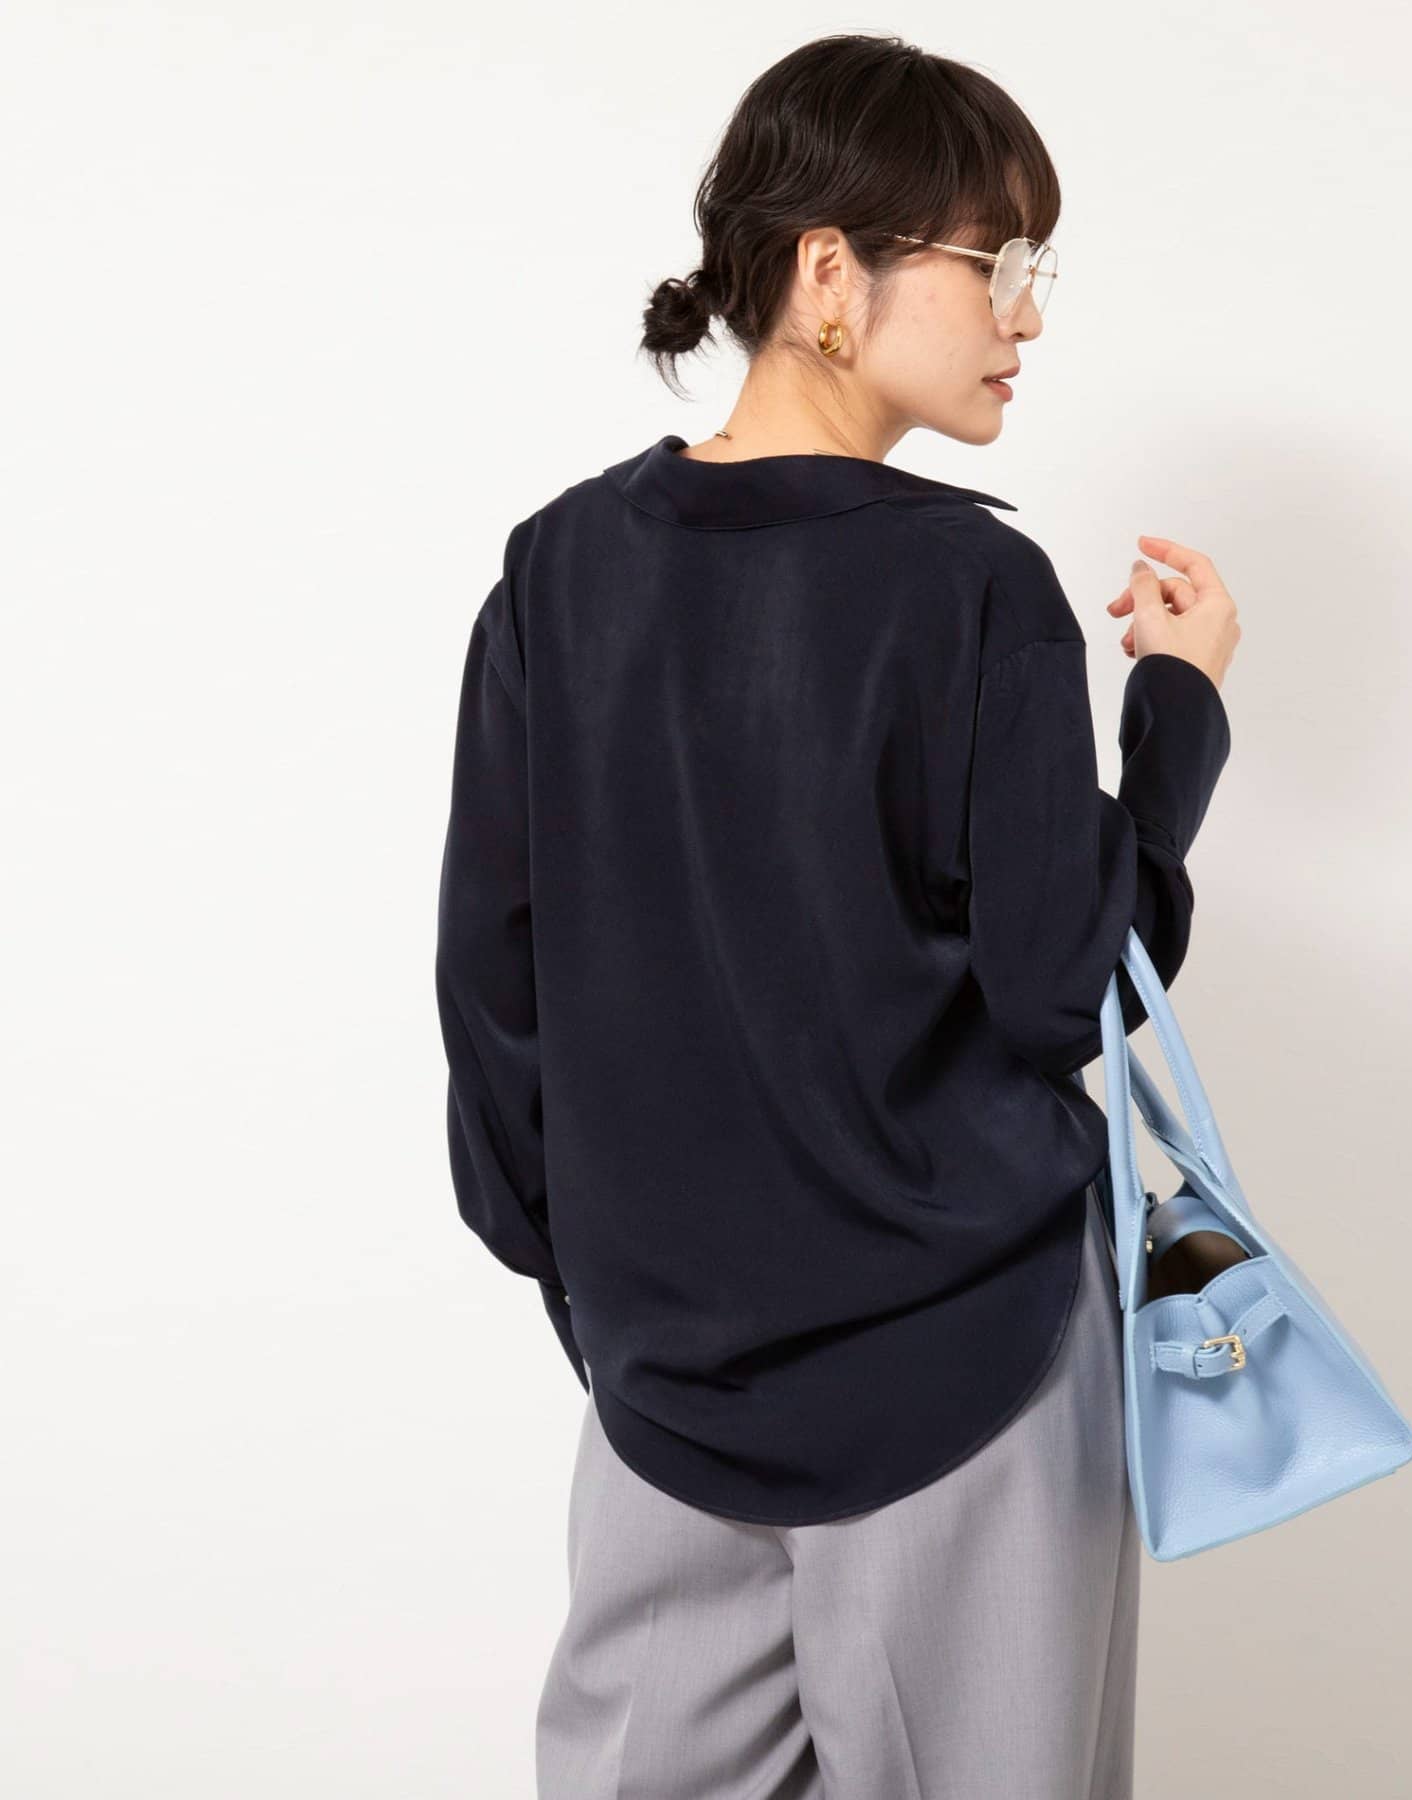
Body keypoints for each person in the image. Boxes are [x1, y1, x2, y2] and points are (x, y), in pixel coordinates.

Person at [434, 30, 1238, 1799]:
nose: (1028, 316)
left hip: (667, 1386)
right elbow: (1069, 988)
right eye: (995, 263)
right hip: (970, 1369)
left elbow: (492, 995)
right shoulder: (970, 586)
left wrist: (608, 1296)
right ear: (826, 274)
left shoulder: (558, 570)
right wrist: (1177, 714)